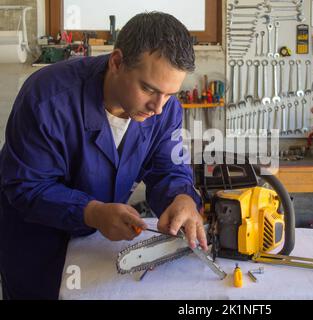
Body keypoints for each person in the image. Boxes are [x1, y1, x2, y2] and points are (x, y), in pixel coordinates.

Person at [0, 12, 207, 300]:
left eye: (170, 94)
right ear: (117, 62)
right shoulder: (46, 97)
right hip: (36, 244)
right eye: (148, 88)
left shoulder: (166, 109)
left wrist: (182, 197)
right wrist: (92, 212)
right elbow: (26, 187)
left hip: (98, 244)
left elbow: (168, 169)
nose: (159, 108)